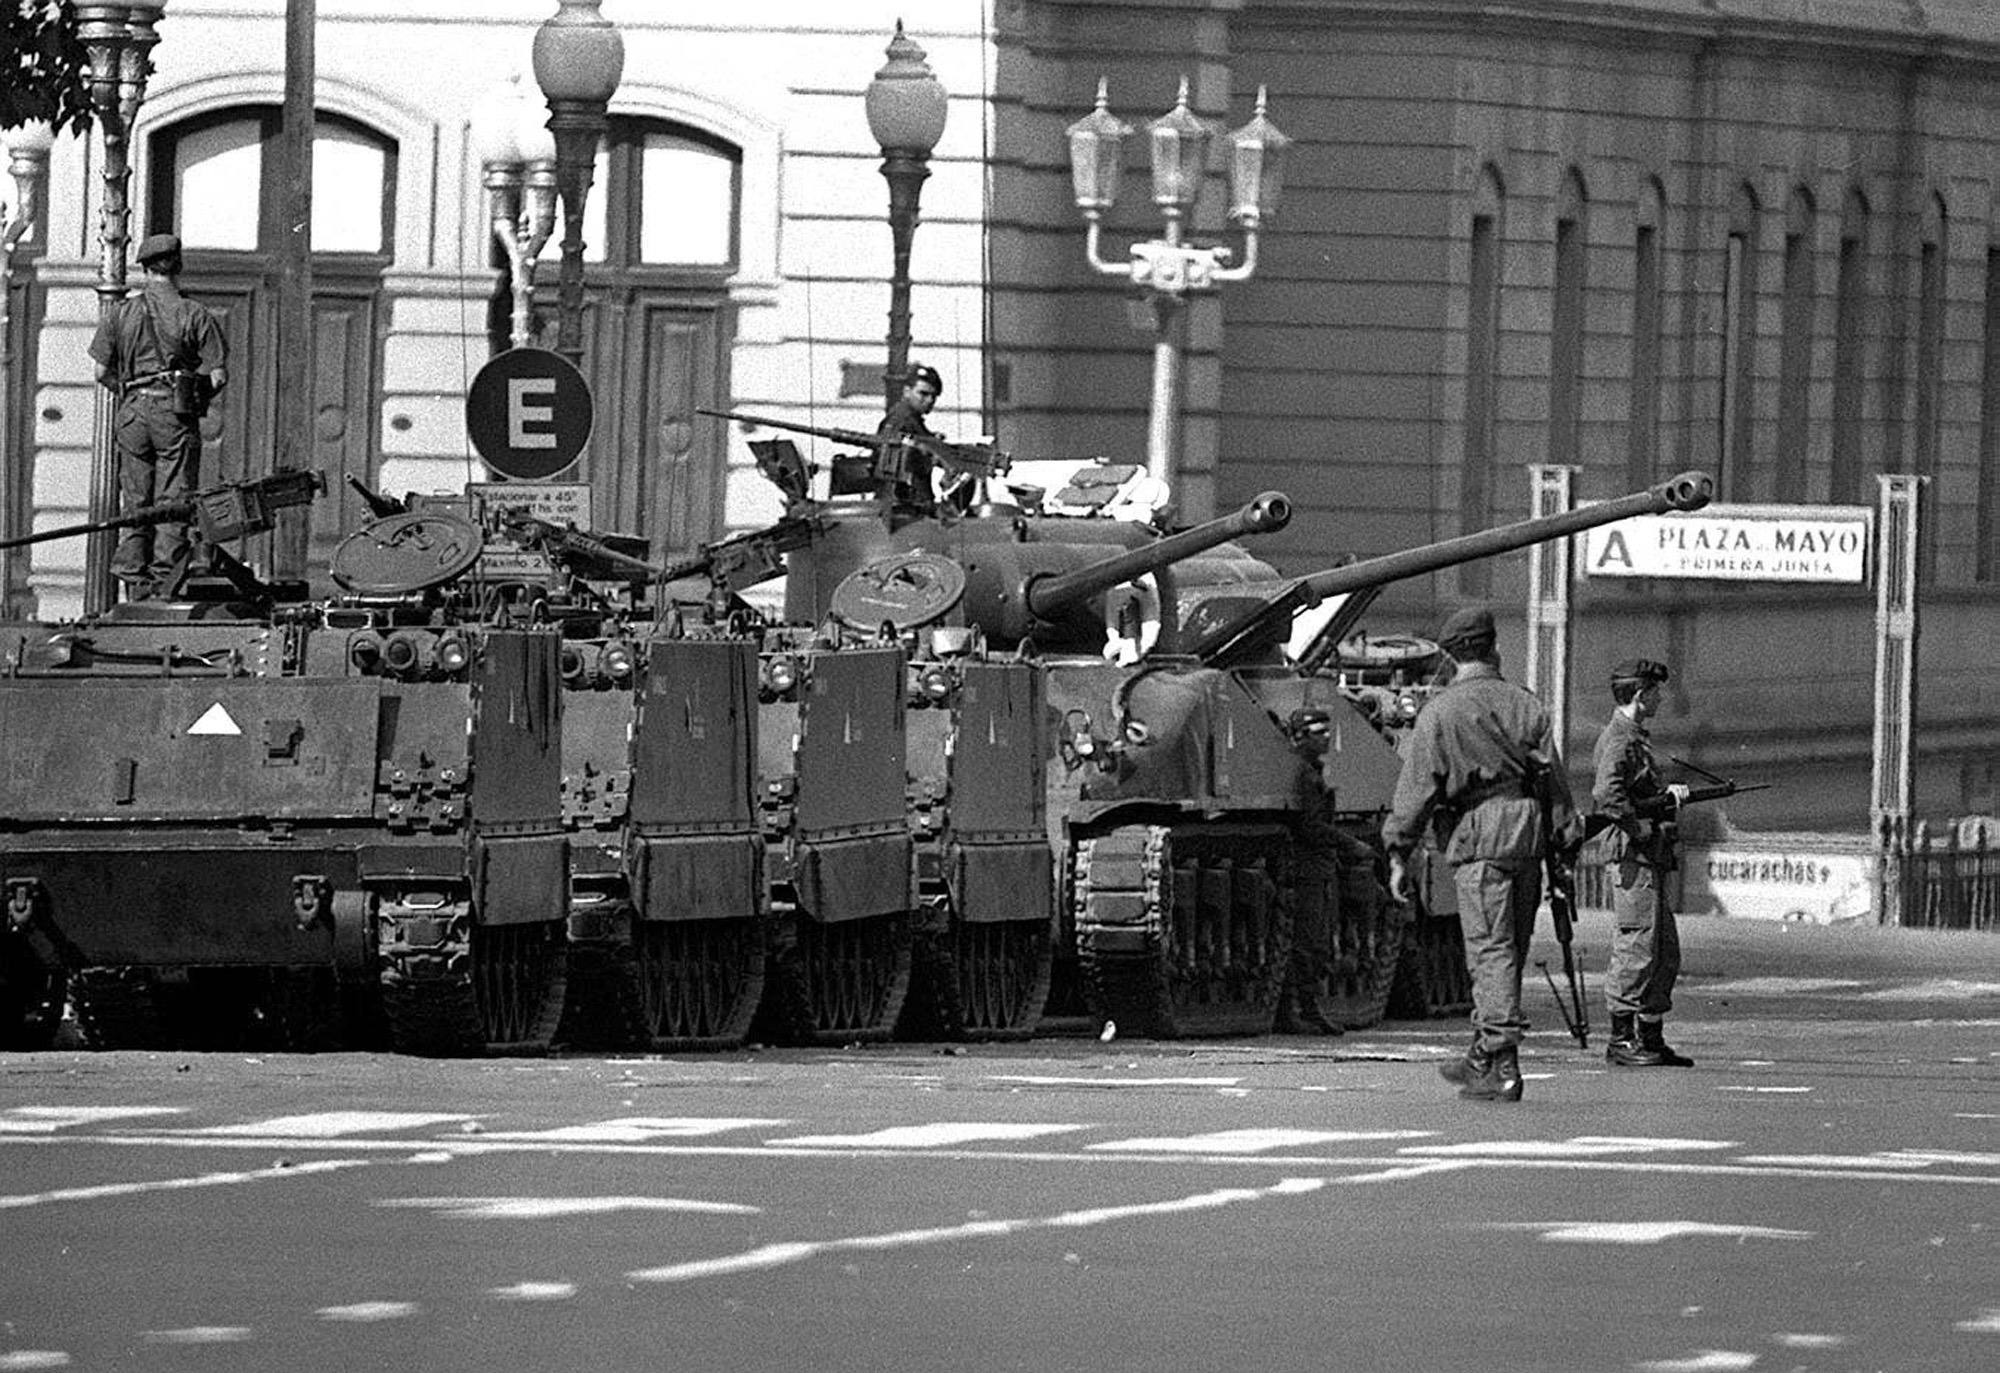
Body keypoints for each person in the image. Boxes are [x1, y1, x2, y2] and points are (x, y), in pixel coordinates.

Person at [1382, 607, 1581, 1101]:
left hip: (1479, 834)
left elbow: (1416, 791)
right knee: (1507, 947)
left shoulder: (1440, 712)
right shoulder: (1525, 705)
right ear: (1493, 648)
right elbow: (1553, 781)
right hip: (1528, 833)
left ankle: (1503, 1062)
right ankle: (1482, 1055)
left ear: (1450, 655)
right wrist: (1565, 843)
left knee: (1489, 949)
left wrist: (1398, 852)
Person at [87, 232, 229, 598]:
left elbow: (102, 373)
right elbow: (218, 375)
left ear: (144, 267)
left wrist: (131, 392)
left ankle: (134, 583)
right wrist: (192, 396)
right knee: (173, 500)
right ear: (177, 266)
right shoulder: (193, 313)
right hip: (174, 414)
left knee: (135, 500)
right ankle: (165, 584)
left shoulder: (120, 313)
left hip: (133, 412)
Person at [1592, 657, 1695, 1067]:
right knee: (1636, 945)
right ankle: (1621, 1038)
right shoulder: (1620, 739)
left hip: (1647, 858)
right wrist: (1640, 829)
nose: (1659, 698)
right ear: (1639, 694)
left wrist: (1666, 796)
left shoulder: (1633, 737)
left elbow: (1634, 791)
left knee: (1663, 949)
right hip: (1633, 857)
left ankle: (1650, 1036)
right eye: (1654, 692)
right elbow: (1606, 794)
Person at [874, 362, 943, 511]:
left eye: (934, 396)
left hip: (914, 503)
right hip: (906, 505)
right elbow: (889, 461)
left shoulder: (912, 420)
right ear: (907, 391)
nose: (930, 400)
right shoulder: (901, 420)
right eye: (923, 394)